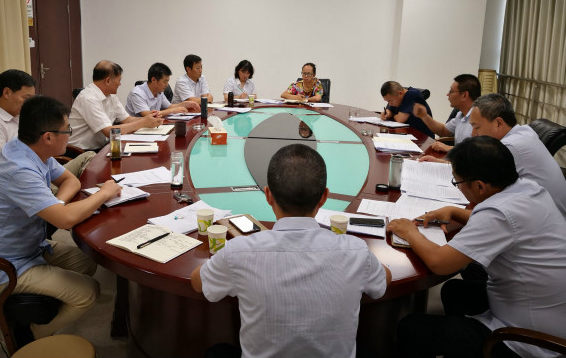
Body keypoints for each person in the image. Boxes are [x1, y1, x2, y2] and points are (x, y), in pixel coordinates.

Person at [191, 144, 390, 358]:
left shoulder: (239, 252)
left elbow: (197, 282)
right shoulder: (356, 251)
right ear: (324, 197)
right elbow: (383, 280)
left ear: (268, 195)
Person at [388, 136, 566, 358]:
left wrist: (410, 232)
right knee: (454, 291)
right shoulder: (528, 189)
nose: (459, 188)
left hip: (531, 339)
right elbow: (506, 224)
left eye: (458, 183)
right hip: (547, 312)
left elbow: (439, 263)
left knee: (412, 328)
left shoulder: (498, 214)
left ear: (479, 186)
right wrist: (454, 211)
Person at [0, 96, 123, 339]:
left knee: (87, 263)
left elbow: (71, 181)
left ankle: (33, 309)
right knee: (88, 293)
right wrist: (104, 193)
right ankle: (27, 337)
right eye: (67, 130)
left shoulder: (29, 148)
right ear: (48, 137)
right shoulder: (19, 169)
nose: (69, 135)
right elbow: (64, 221)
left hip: (27, 246)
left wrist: (57, 204)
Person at [0, 69, 95, 178]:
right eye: (26, 98)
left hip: (44, 169)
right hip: (27, 180)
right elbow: (0, 173)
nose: (29, 104)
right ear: (7, 93)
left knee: (89, 158)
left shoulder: (18, 116)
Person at [470, 93, 566, 219]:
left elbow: (480, 188)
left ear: (498, 123)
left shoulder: (510, 146)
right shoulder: (524, 131)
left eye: (476, 127)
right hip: (545, 215)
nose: (473, 134)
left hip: (545, 222)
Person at [69, 60, 163, 150]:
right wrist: (143, 123)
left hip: (103, 146)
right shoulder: (88, 98)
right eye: (119, 80)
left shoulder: (111, 96)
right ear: (108, 81)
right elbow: (109, 131)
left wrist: (150, 118)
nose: (120, 84)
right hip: (81, 152)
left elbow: (127, 120)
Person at [413, 74, 481, 152]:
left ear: (464, 95)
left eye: (451, 91)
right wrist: (424, 116)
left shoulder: (481, 118)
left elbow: (479, 150)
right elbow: (443, 131)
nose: (447, 94)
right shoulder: (460, 114)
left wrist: (450, 148)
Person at [125, 62, 199, 117]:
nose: (167, 85)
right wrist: (172, 111)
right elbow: (148, 115)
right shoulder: (137, 93)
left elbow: (169, 107)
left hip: (151, 126)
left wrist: (185, 104)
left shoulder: (159, 92)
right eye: (165, 81)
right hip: (135, 130)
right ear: (154, 80)